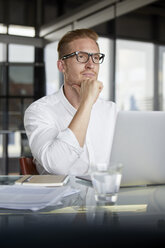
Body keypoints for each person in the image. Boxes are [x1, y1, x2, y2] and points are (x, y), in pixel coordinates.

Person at [24, 28, 117, 175]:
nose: (91, 65)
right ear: (62, 66)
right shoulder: (39, 111)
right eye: (81, 57)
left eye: (96, 57)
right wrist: (87, 103)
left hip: (105, 195)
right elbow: (57, 166)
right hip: (59, 196)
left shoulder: (112, 111)